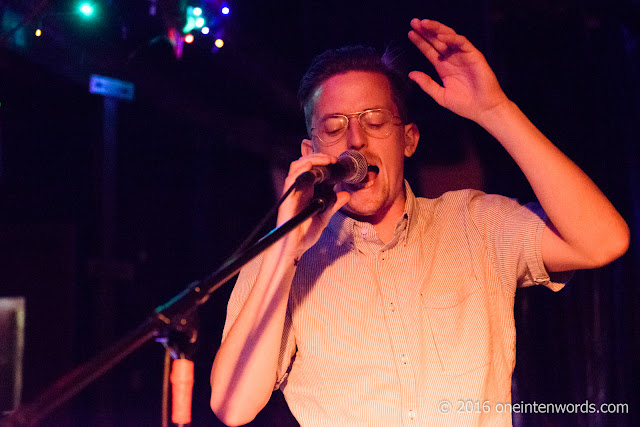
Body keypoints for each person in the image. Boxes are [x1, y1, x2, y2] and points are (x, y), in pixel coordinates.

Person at [210, 18, 629, 426]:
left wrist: (496, 111)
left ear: (408, 139)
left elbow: (604, 241)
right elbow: (233, 407)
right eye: (334, 128)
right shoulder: (280, 260)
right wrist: (286, 253)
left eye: (374, 122)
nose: (355, 140)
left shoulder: (475, 223)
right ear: (310, 149)